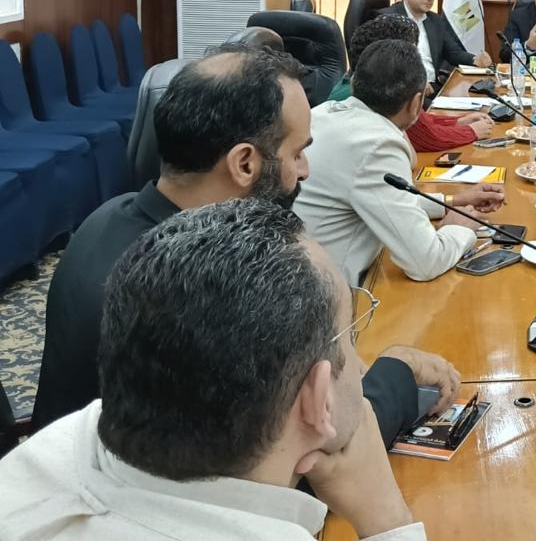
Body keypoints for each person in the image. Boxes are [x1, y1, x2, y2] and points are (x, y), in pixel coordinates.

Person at [32, 44, 459, 441]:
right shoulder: (207, 285)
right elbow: (316, 439)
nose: (305, 171)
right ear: (245, 163)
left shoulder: (107, 216)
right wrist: (400, 372)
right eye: (296, 153)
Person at [0, 201, 434, 541]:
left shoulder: (49, 449)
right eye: (350, 336)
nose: (359, 366)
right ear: (316, 399)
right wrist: (387, 520)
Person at [297, 39, 505, 285]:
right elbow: (425, 263)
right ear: (416, 103)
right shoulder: (377, 143)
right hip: (332, 292)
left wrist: (453, 201)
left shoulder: (324, 112)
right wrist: (460, 228)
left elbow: (383, 197)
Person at [332, 15, 495, 151]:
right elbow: (425, 138)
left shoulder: (363, 80)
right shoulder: (372, 91)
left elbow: (419, 124)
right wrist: (471, 131)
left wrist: (458, 122)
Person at [386, 0, 492, 85]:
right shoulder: (388, 19)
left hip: (433, 87)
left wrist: (475, 60)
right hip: (404, 89)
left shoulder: (435, 20)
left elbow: (453, 52)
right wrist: (414, 84)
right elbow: (387, 65)